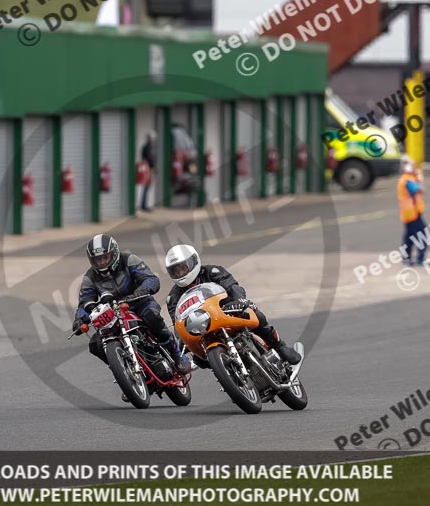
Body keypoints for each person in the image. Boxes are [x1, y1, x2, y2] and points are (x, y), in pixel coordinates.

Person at [164, 244, 301, 366]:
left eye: (183, 268)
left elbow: (233, 287)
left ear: (193, 262)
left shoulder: (213, 272)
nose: (180, 273)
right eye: (176, 271)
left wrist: (238, 300)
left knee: (255, 314)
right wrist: (181, 339)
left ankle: (280, 347)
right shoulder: (173, 297)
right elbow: (177, 322)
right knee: (200, 361)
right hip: (202, 329)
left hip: (227, 312)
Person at [73, 234, 189, 373]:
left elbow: (150, 279)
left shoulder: (129, 260)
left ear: (114, 253)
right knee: (95, 344)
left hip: (139, 303)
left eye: (105, 257)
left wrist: (140, 291)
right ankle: (124, 372)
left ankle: (176, 354)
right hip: (112, 314)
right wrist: (79, 319)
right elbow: (85, 301)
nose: (102, 262)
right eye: (98, 260)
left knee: (152, 316)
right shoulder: (90, 277)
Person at [398, 156, 427, 266]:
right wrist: (420, 177)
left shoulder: (408, 178)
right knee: (423, 235)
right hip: (412, 213)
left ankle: (406, 257)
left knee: (409, 237)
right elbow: (419, 189)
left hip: (410, 213)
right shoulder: (407, 180)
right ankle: (420, 258)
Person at [140, 131, 157, 212]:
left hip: (147, 169)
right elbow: (150, 160)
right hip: (148, 170)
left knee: (146, 188)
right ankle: (144, 205)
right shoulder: (148, 148)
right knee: (146, 187)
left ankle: (144, 204)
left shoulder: (146, 147)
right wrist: (153, 168)